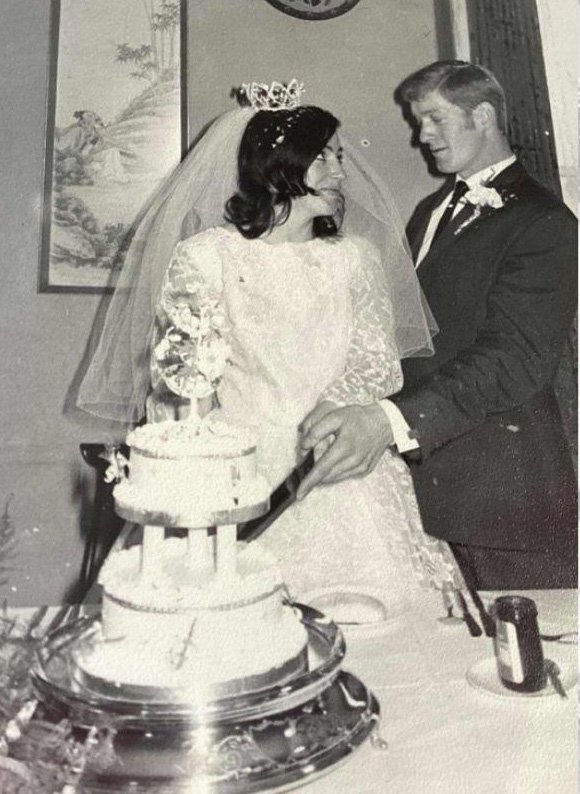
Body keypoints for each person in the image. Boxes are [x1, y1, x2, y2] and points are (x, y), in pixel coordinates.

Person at [77, 80, 463, 606]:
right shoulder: (205, 257)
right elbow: (180, 375)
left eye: (340, 156)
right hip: (238, 469)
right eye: (322, 157)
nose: (340, 172)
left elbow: (376, 361)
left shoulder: (355, 259)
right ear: (278, 166)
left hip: (337, 462)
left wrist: (329, 414)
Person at [297, 61, 577, 591]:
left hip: (503, 498)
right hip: (429, 486)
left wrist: (392, 421)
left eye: (434, 119)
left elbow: (514, 360)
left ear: (483, 116)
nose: (421, 136)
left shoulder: (546, 223)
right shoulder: (431, 209)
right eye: (417, 121)